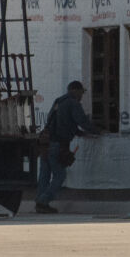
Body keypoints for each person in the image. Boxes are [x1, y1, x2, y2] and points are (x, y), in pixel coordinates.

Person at [36, 80, 96, 214]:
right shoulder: (73, 103)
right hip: (58, 144)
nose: (82, 96)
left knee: (44, 175)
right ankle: (43, 201)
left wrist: (79, 133)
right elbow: (81, 121)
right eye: (82, 92)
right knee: (60, 175)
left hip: (46, 144)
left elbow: (60, 122)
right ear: (76, 90)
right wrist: (97, 131)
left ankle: (39, 203)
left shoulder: (58, 101)